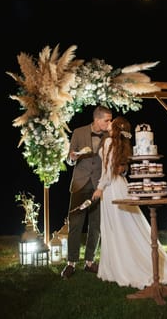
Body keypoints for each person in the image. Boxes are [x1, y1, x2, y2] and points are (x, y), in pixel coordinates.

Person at [92, 116, 167, 290]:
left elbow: (107, 171)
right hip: (122, 184)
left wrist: (99, 188)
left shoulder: (108, 142)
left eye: (111, 123)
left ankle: (119, 266)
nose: (108, 124)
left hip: (111, 187)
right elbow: (117, 167)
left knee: (116, 226)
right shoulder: (121, 144)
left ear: (114, 129)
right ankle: (124, 261)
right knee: (126, 224)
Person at [61, 105, 112, 279]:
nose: (109, 123)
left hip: (98, 186)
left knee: (95, 226)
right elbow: (69, 159)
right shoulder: (78, 132)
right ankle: (71, 263)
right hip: (79, 184)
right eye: (107, 120)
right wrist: (73, 157)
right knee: (75, 225)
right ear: (97, 120)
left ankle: (90, 261)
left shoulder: (109, 136)